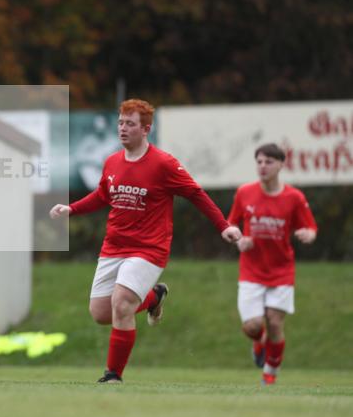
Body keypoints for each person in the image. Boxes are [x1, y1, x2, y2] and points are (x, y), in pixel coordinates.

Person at [49, 99, 241, 384]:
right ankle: (154, 297)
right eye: (121, 122)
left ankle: (113, 375)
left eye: (130, 124)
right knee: (101, 313)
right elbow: (103, 195)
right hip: (114, 246)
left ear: (146, 129)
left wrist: (223, 226)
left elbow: (196, 194)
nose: (123, 129)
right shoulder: (112, 161)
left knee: (122, 303)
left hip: (149, 248)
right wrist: (72, 209)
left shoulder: (164, 164)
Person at [226, 143, 316, 385]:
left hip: (281, 270)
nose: (263, 166)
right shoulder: (245, 192)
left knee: (276, 323)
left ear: (281, 165)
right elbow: (230, 224)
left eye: (269, 162)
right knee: (253, 326)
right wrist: (239, 239)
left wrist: (308, 234)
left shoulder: (294, 197)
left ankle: (270, 375)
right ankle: (259, 340)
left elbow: (310, 226)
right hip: (251, 271)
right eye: (259, 162)